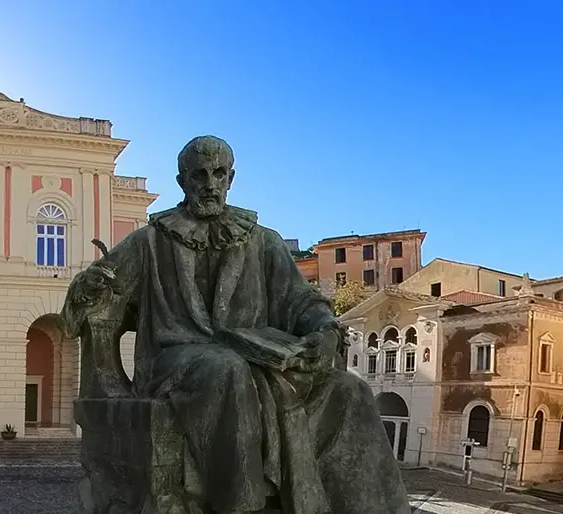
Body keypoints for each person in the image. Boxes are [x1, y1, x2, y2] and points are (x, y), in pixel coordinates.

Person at [63, 135, 410, 514]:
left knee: (350, 390)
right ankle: (241, 506)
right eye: (199, 175)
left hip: (262, 360)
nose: (209, 184)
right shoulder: (149, 241)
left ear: (231, 178)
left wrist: (324, 330)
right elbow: (94, 290)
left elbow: (300, 300)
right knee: (227, 371)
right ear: (182, 181)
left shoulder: (263, 241)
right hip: (175, 363)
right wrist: (88, 287)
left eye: (218, 174)